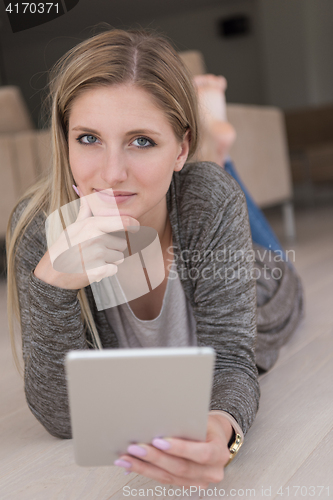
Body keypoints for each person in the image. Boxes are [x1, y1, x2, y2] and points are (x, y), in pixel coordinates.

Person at [6, 28, 299, 487]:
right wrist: (53, 284)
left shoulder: (206, 201)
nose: (111, 173)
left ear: (180, 147)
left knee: (263, 243)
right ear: (65, 139)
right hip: (185, 201)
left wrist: (223, 431)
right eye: (88, 138)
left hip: (261, 280)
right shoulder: (37, 228)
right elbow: (64, 418)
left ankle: (222, 158)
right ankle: (218, 152)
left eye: (142, 140)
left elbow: (234, 362)